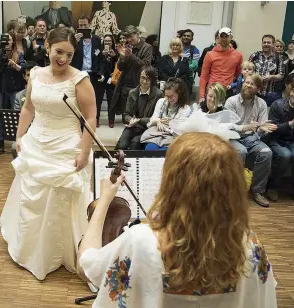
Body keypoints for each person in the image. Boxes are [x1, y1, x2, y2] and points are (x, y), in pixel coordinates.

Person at [77, 132, 277, 307]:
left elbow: (87, 266)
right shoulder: (250, 246)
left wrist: (104, 200)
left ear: (172, 181)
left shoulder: (140, 241)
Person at [0, 27, 96, 281]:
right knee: (32, 198)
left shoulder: (80, 79)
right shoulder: (36, 75)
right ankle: (30, 247)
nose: (62, 58)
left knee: (58, 199)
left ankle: (59, 250)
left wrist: (84, 152)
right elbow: (28, 108)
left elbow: (91, 117)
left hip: (65, 146)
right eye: (58, 52)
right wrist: (20, 136)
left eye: (69, 55)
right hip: (36, 144)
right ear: (47, 48)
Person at [224, 74, 277, 207]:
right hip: (233, 136)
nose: (248, 85)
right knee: (240, 151)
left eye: (252, 84)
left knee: (266, 152)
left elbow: (261, 126)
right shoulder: (231, 101)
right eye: (246, 82)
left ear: (258, 88)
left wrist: (261, 129)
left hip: (252, 137)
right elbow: (227, 125)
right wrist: (245, 127)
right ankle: (233, 191)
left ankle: (257, 191)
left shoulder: (262, 103)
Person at [115, 66, 163, 150]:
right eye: (142, 78)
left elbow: (156, 118)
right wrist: (131, 120)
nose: (144, 81)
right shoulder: (132, 92)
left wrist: (139, 120)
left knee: (135, 143)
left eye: (148, 79)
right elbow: (126, 114)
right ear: (139, 77)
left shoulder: (158, 94)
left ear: (152, 80)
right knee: (122, 145)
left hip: (148, 128)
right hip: (133, 126)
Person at [141, 78, 194, 150]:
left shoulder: (185, 108)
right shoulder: (161, 101)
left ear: (179, 93)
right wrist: (157, 121)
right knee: (150, 148)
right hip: (156, 134)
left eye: (172, 96)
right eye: (167, 96)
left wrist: (169, 123)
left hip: (173, 137)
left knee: (164, 152)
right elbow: (151, 122)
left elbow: (179, 130)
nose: (169, 99)